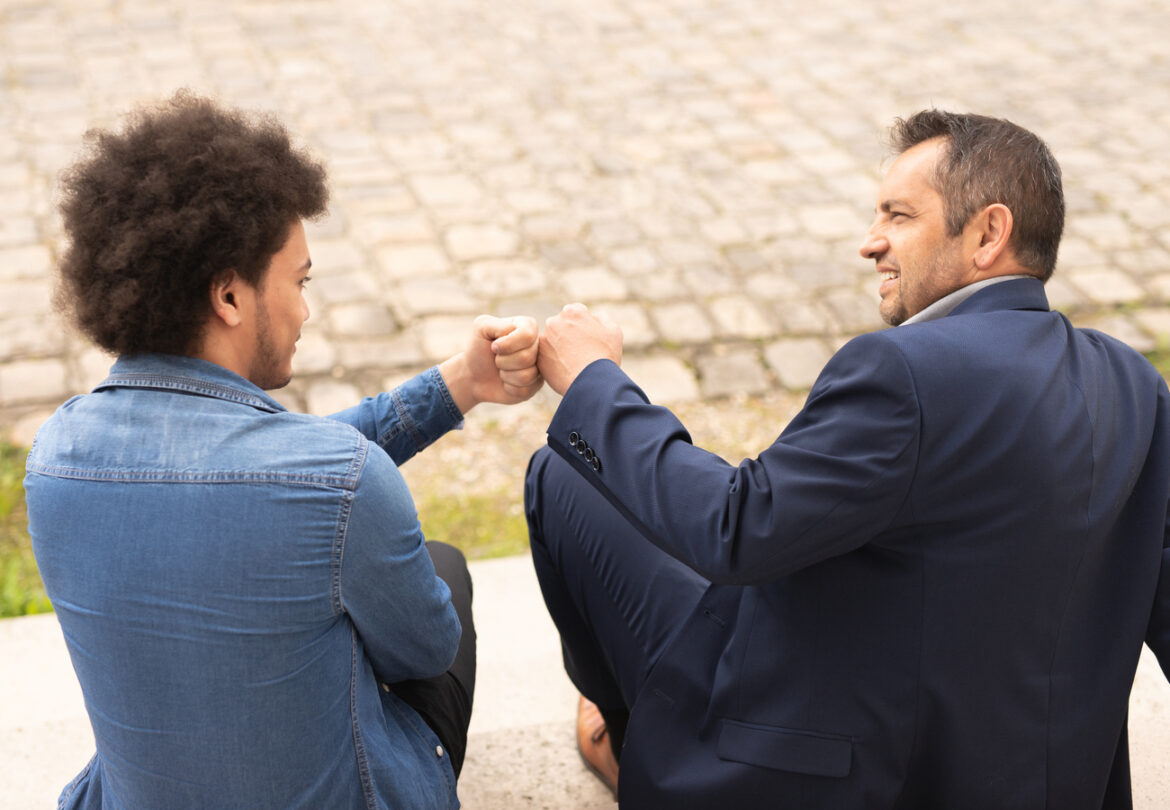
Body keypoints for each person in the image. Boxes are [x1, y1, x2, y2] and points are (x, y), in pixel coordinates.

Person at [525, 110, 1170, 808]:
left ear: (988, 233)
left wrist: (595, 382)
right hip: (1042, 781)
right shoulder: (1134, 385)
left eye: (898, 215)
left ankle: (634, 743)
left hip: (845, 777)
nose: (871, 242)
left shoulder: (905, 373)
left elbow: (732, 528)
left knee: (566, 475)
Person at [25, 92, 541, 810]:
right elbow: (421, 652)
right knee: (442, 570)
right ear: (230, 297)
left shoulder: (52, 459)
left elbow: (273, 466)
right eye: (298, 282)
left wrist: (459, 385)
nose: (306, 309)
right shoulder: (343, 484)